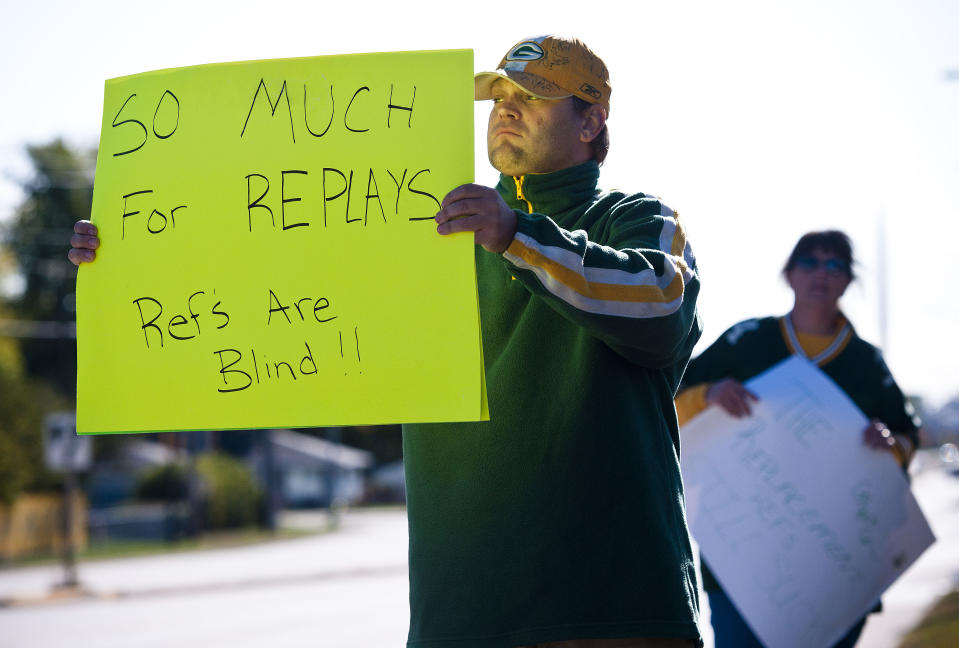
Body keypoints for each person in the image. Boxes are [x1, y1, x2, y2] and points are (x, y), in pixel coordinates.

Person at [72, 36, 704, 648]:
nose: (506, 108)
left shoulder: (635, 217)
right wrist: (127, 260)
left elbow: (662, 305)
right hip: (459, 609)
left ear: (591, 121)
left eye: (535, 96)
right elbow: (267, 286)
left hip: (615, 603)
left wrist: (516, 236)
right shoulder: (428, 230)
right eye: (499, 95)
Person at [675, 230, 921, 648]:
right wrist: (709, 394)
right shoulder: (747, 340)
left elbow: (907, 433)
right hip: (741, 561)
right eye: (809, 262)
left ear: (847, 280)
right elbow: (667, 399)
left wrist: (892, 445)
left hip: (836, 563)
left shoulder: (866, 362)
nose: (821, 274)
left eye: (834, 264)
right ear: (789, 274)